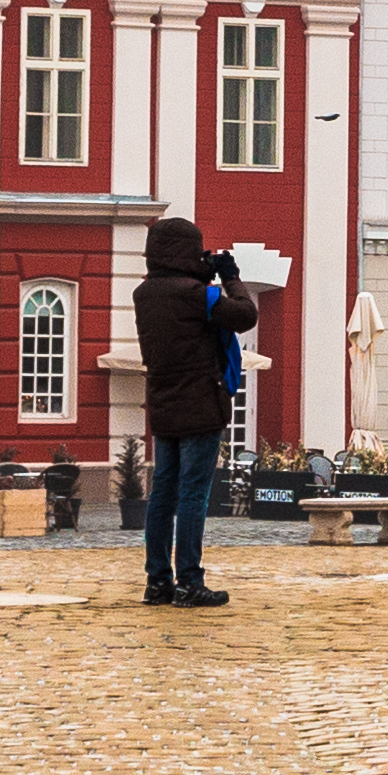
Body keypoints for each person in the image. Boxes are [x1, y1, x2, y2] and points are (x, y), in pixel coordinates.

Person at [132, 215, 258, 609]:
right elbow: (245, 315)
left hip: (163, 403)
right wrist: (230, 275)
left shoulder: (144, 294)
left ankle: (157, 582)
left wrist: (203, 272)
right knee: (192, 495)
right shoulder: (197, 294)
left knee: (162, 495)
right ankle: (189, 581)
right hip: (202, 403)